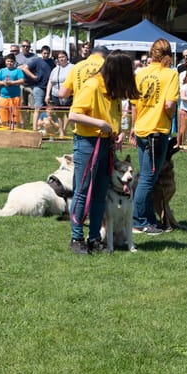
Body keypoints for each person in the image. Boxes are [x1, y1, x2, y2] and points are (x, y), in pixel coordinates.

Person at [68, 51, 139, 254]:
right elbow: (74, 114)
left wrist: (118, 134)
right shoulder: (92, 86)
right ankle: (76, 238)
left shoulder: (112, 91)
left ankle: (94, 238)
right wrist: (99, 123)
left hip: (105, 145)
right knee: (83, 192)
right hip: (87, 144)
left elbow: (113, 119)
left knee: (100, 193)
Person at [130, 38, 179, 235]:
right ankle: (137, 221)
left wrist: (134, 127)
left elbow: (133, 104)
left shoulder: (140, 73)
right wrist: (168, 117)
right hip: (157, 131)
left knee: (145, 176)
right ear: (168, 54)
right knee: (147, 180)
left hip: (141, 129)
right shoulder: (171, 74)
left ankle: (148, 219)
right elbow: (169, 105)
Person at [20, 45, 54, 131]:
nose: (46, 55)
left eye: (47, 53)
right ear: (41, 53)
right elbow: (25, 68)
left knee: (49, 110)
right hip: (39, 87)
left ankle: (48, 129)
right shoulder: (37, 60)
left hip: (49, 88)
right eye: (44, 53)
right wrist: (33, 76)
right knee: (37, 108)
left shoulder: (51, 61)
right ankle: (35, 129)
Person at [45, 50, 74, 137]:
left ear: (67, 57)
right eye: (59, 57)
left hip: (69, 95)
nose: (61, 59)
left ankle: (75, 132)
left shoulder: (72, 67)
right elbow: (50, 81)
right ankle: (61, 132)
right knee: (59, 114)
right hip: (55, 95)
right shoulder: (55, 69)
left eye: (63, 57)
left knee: (70, 114)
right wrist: (47, 95)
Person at [0, 53, 24, 127]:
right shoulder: (1, 71)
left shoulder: (18, 71)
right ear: (5, 61)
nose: (9, 63)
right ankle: (5, 130)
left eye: (11, 61)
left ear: (14, 62)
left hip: (15, 97)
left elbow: (22, 80)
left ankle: (14, 131)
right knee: (3, 116)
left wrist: (12, 82)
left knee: (14, 117)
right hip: (3, 96)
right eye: (8, 61)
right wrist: (3, 83)